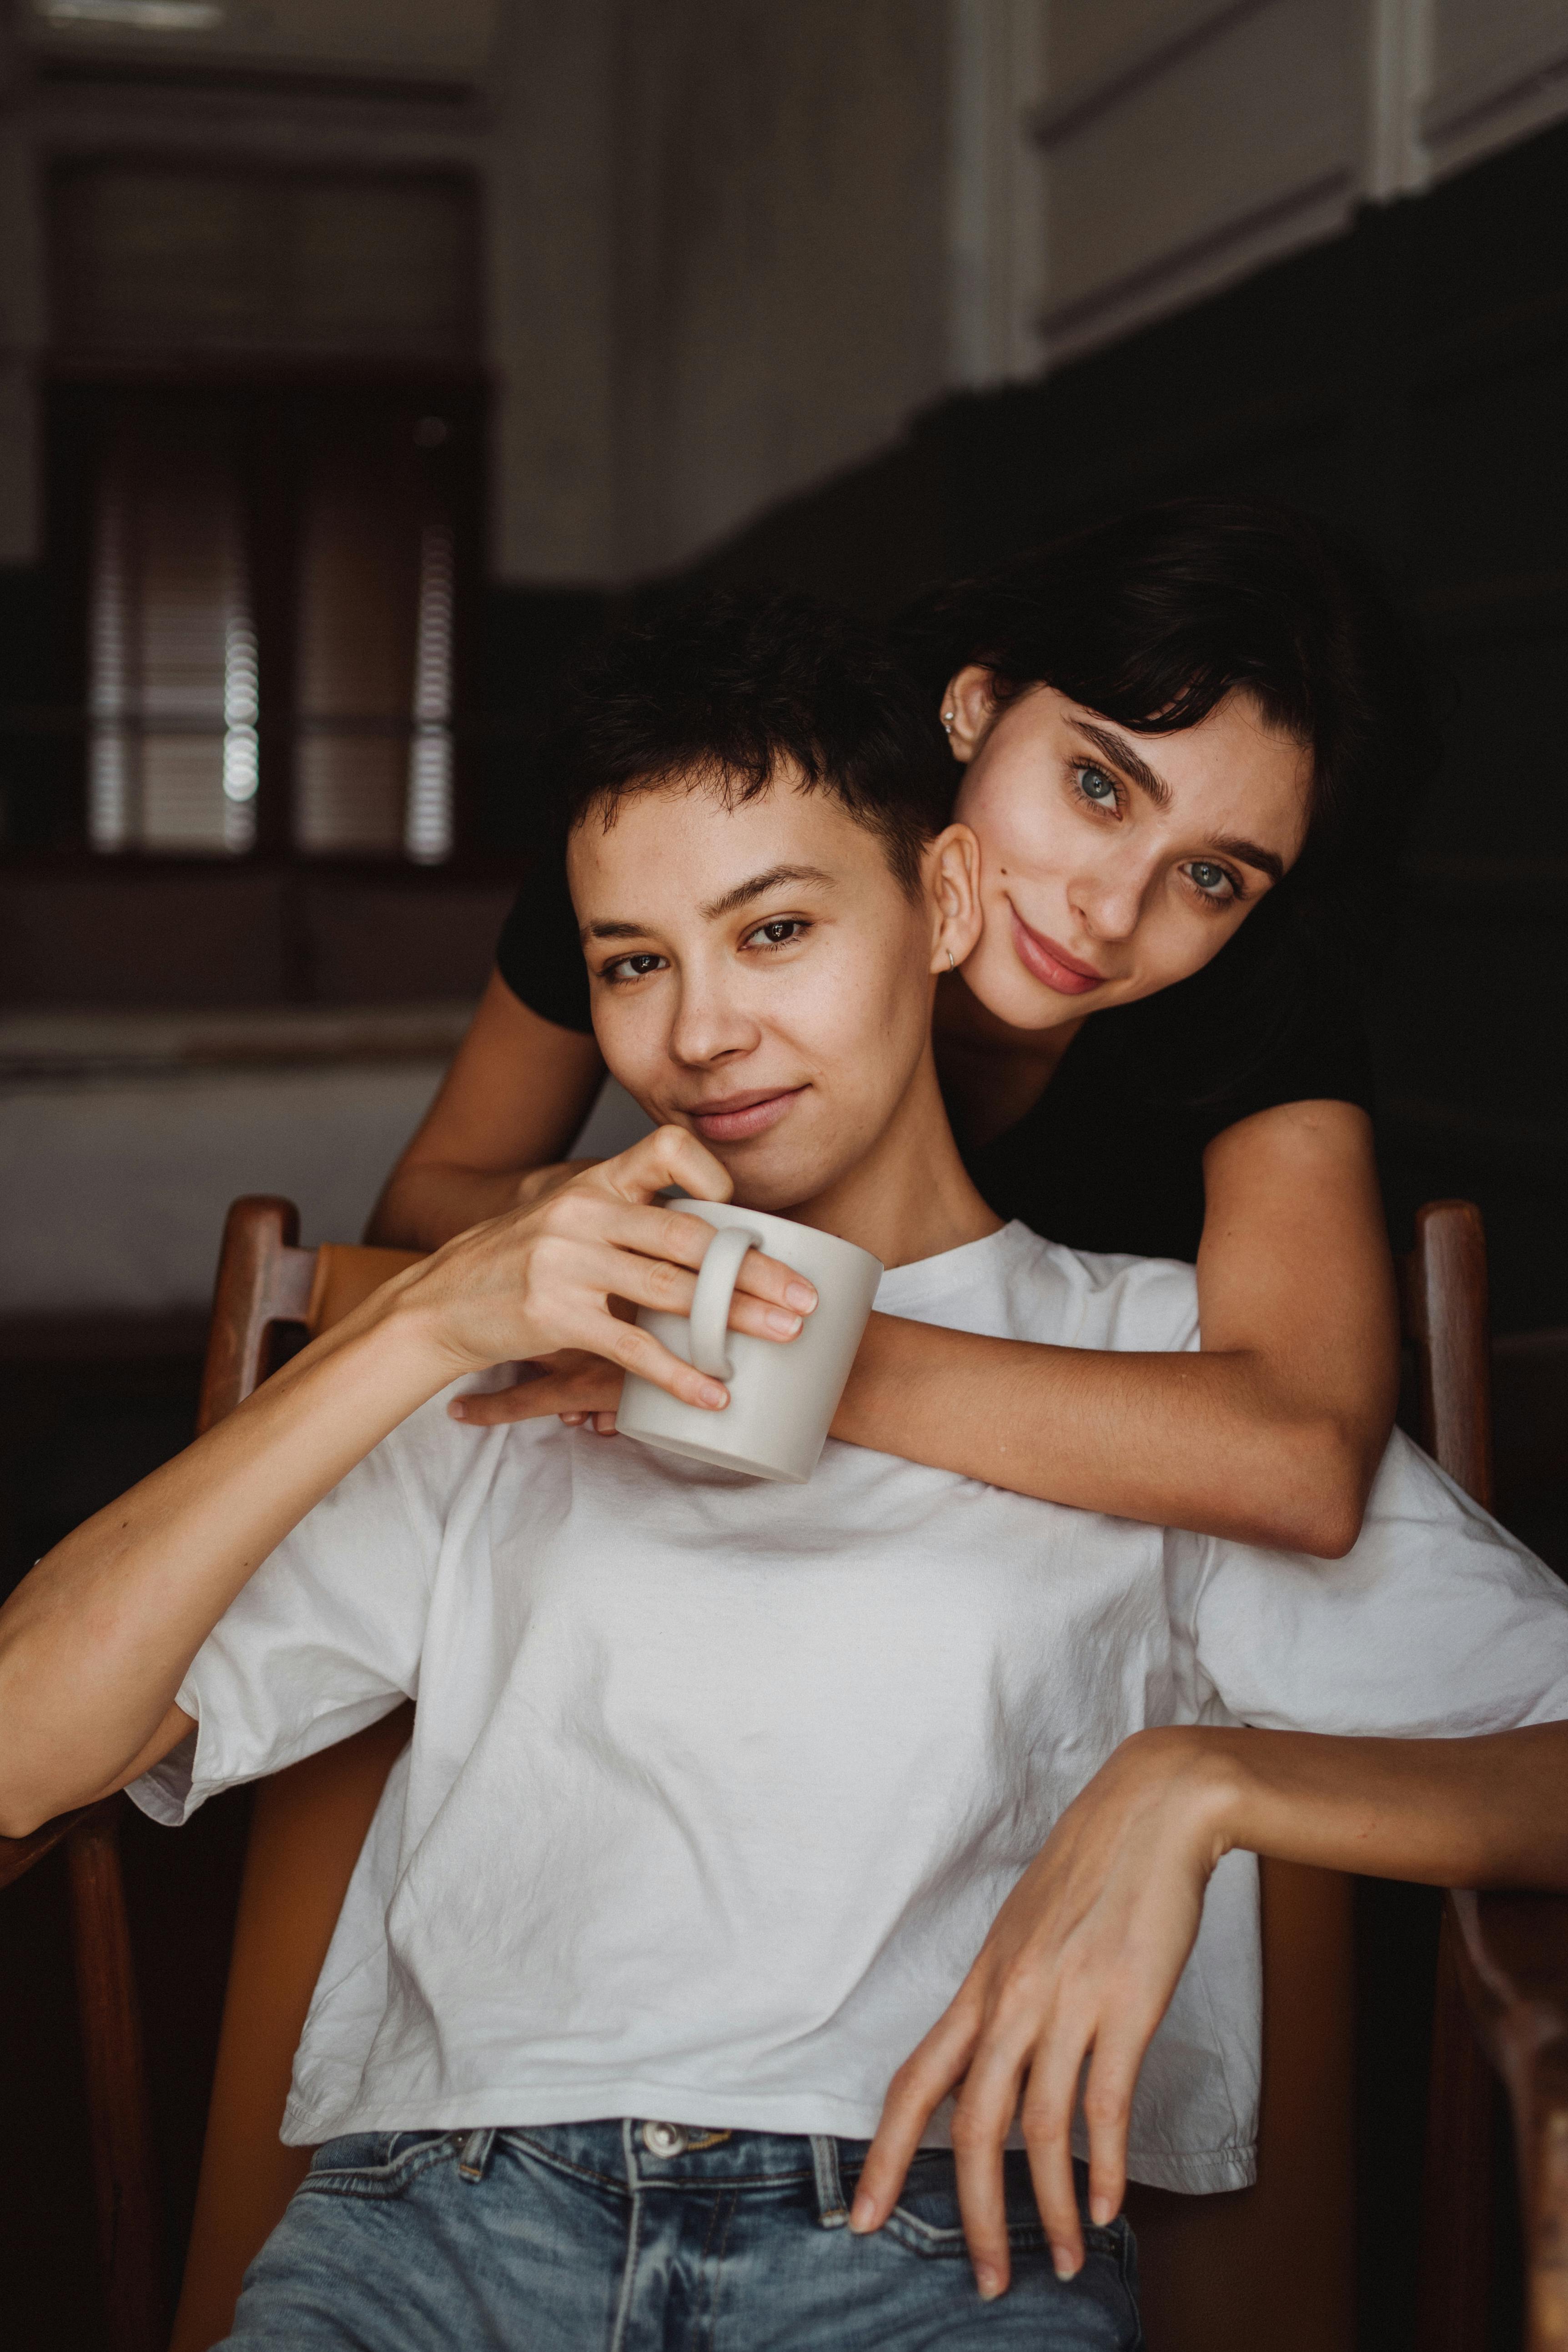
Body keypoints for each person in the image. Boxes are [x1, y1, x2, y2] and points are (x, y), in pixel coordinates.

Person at [4, 595, 1560, 2352]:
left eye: (776, 930)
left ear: (945, 906)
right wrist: (417, 1329)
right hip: (433, 2236)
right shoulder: (521, 1342)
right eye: (631, 962)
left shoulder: (1145, 1372)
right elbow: (21, 1748)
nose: (701, 1034)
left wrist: (1199, 1783)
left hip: (922, 2250)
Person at [369, 500, 1432, 1560]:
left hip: (1041, 1566)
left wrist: (770, 1349)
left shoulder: (1258, 1002)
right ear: (974, 703)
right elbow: (420, 1199)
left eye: (1209, 876)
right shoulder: (694, 849)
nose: (1110, 913)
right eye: (1096, 785)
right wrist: (576, 1221)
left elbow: (1301, 1458)